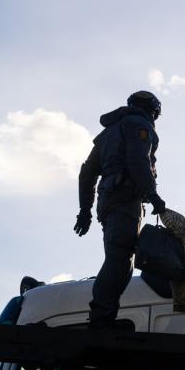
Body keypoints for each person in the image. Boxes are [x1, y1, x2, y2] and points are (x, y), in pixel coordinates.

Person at [76, 90, 167, 329]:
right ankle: (101, 319)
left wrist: (84, 211)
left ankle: (103, 315)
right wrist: (153, 194)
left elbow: (87, 173)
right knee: (120, 260)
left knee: (119, 258)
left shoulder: (108, 133)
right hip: (125, 199)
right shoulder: (139, 125)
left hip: (108, 201)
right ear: (153, 111)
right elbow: (139, 161)